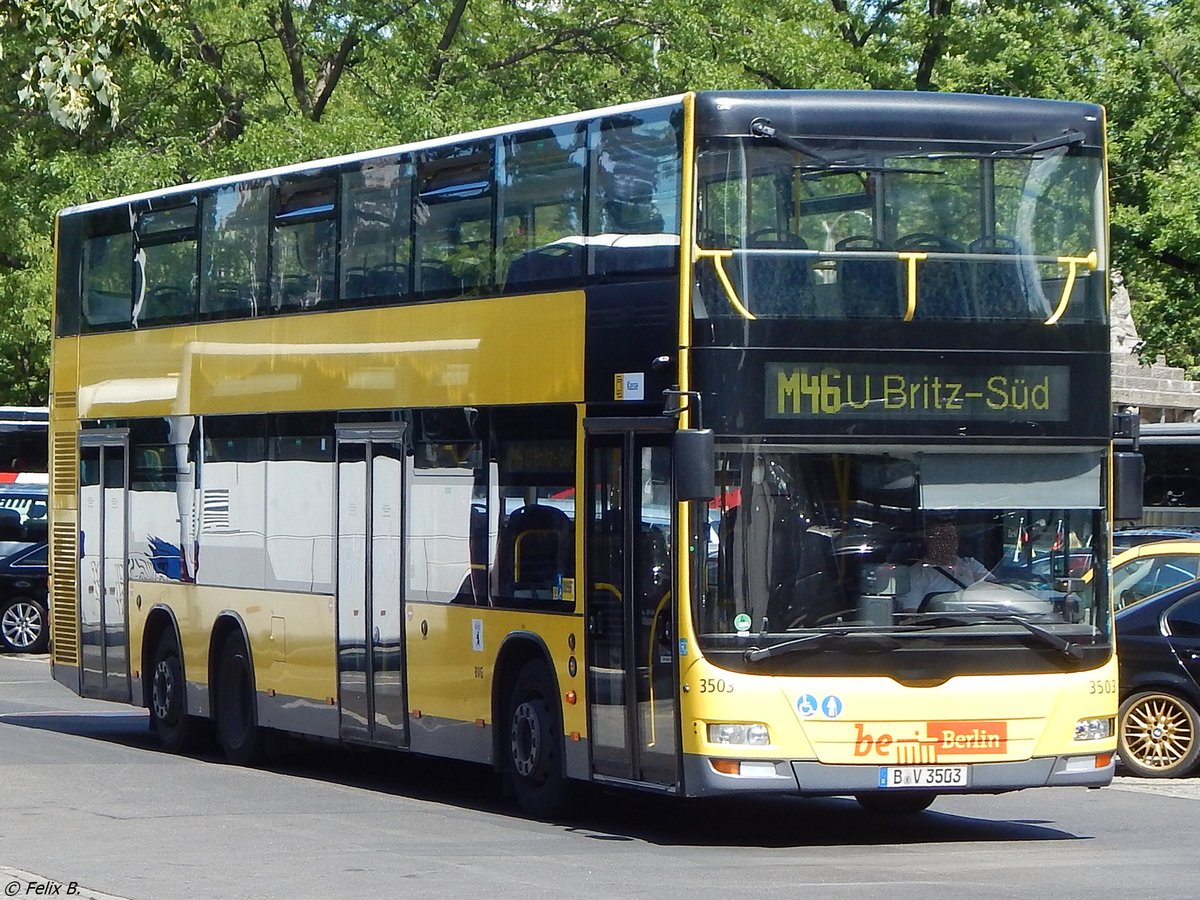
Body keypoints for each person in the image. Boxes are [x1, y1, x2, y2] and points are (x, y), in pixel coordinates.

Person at [900, 519, 991, 612]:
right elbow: (911, 614)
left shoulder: (971, 564)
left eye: (951, 537)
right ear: (927, 542)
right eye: (939, 538)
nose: (946, 543)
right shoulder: (915, 574)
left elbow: (994, 588)